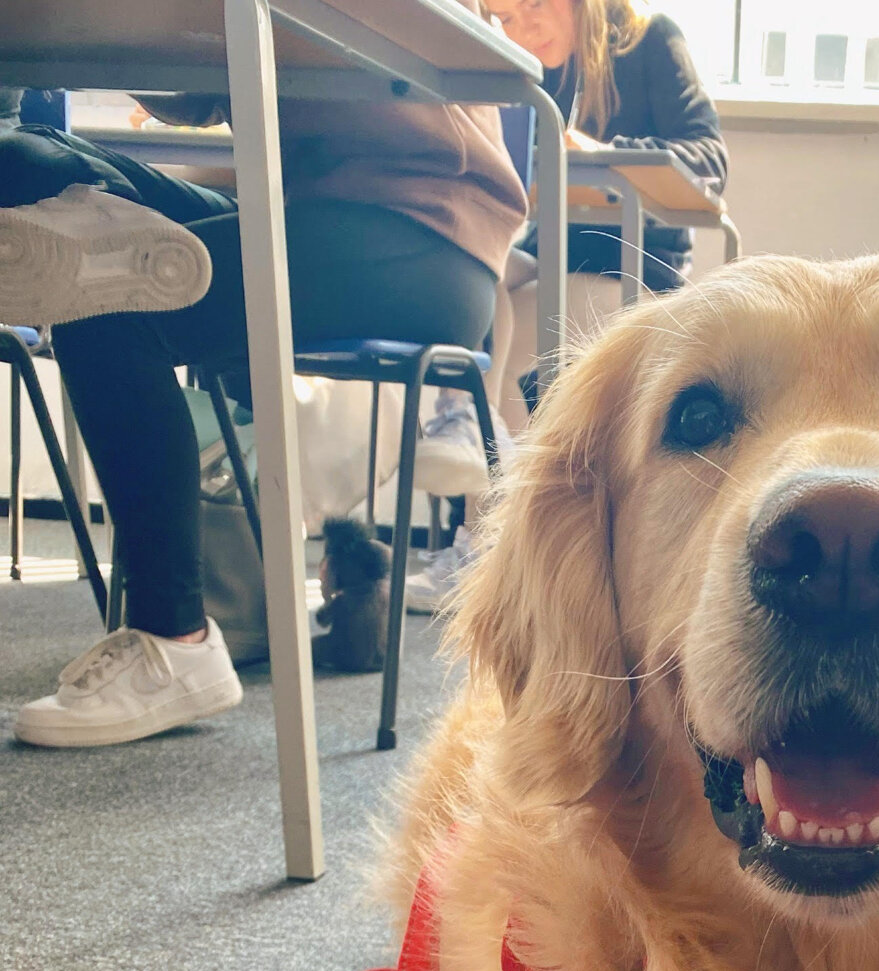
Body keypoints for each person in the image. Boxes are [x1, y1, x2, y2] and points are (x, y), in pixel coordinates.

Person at [0, 63, 525, 747]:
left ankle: (175, 640)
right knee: (32, 159)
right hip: (321, 211)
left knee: (106, 296)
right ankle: (86, 200)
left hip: (417, 234)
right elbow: (197, 88)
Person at [408, 0, 724, 544]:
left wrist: (601, 154)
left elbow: (708, 160)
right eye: (505, 17)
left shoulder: (649, 43)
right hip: (552, 255)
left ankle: (477, 522)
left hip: (633, 261)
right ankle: (461, 427)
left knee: (511, 309)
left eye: (533, 5)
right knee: (467, 257)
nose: (523, 28)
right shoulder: (527, 72)